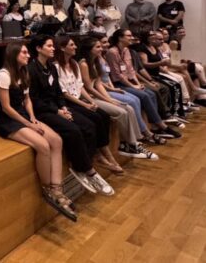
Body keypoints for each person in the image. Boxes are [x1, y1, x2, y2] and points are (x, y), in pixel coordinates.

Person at [0, 42, 76, 221]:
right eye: (24, 52)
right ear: (14, 54)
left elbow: (27, 100)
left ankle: (57, 188)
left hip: (23, 115)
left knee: (57, 141)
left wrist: (32, 117)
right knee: (43, 146)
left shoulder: (23, 72)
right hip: (8, 120)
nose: (28, 55)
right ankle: (47, 188)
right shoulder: (4, 75)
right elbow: (6, 108)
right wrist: (28, 124)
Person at [28, 35, 114, 196]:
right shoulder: (31, 70)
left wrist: (62, 107)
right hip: (43, 111)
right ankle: (86, 170)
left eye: (53, 46)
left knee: (89, 125)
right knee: (73, 130)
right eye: (49, 46)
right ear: (38, 49)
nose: (53, 48)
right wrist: (57, 111)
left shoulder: (51, 67)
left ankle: (86, 165)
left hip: (57, 107)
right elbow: (34, 99)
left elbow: (58, 93)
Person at [79, 36, 157, 160]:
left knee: (128, 108)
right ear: (89, 49)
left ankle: (133, 141)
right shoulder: (83, 64)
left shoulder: (96, 61)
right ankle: (128, 144)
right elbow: (89, 88)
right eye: (98, 47)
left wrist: (110, 99)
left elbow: (98, 84)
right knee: (121, 111)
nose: (101, 49)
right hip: (87, 97)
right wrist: (108, 100)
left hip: (97, 94)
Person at [53, 37, 122, 174]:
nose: (75, 47)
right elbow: (64, 93)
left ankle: (104, 152)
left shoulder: (74, 63)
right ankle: (98, 155)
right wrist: (84, 105)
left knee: (103, 115)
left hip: (78, 98)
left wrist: (90, 101)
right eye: (71, 45)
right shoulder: (56, 67)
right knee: (93, 119)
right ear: (62, 48)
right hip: (68, 102)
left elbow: (80, 86)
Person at [105, 29, 180, 139]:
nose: (131, 38)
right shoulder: (112, 52)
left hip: (129, 81)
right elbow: (117, 75)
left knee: (152, 93)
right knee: (144, 96)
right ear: (120, 38)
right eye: (128, 36)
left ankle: (156, 125)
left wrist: (137, 83)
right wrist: (133, 86)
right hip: (118, 83)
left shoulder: (126, 50)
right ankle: (161, 125)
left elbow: (131, 70)